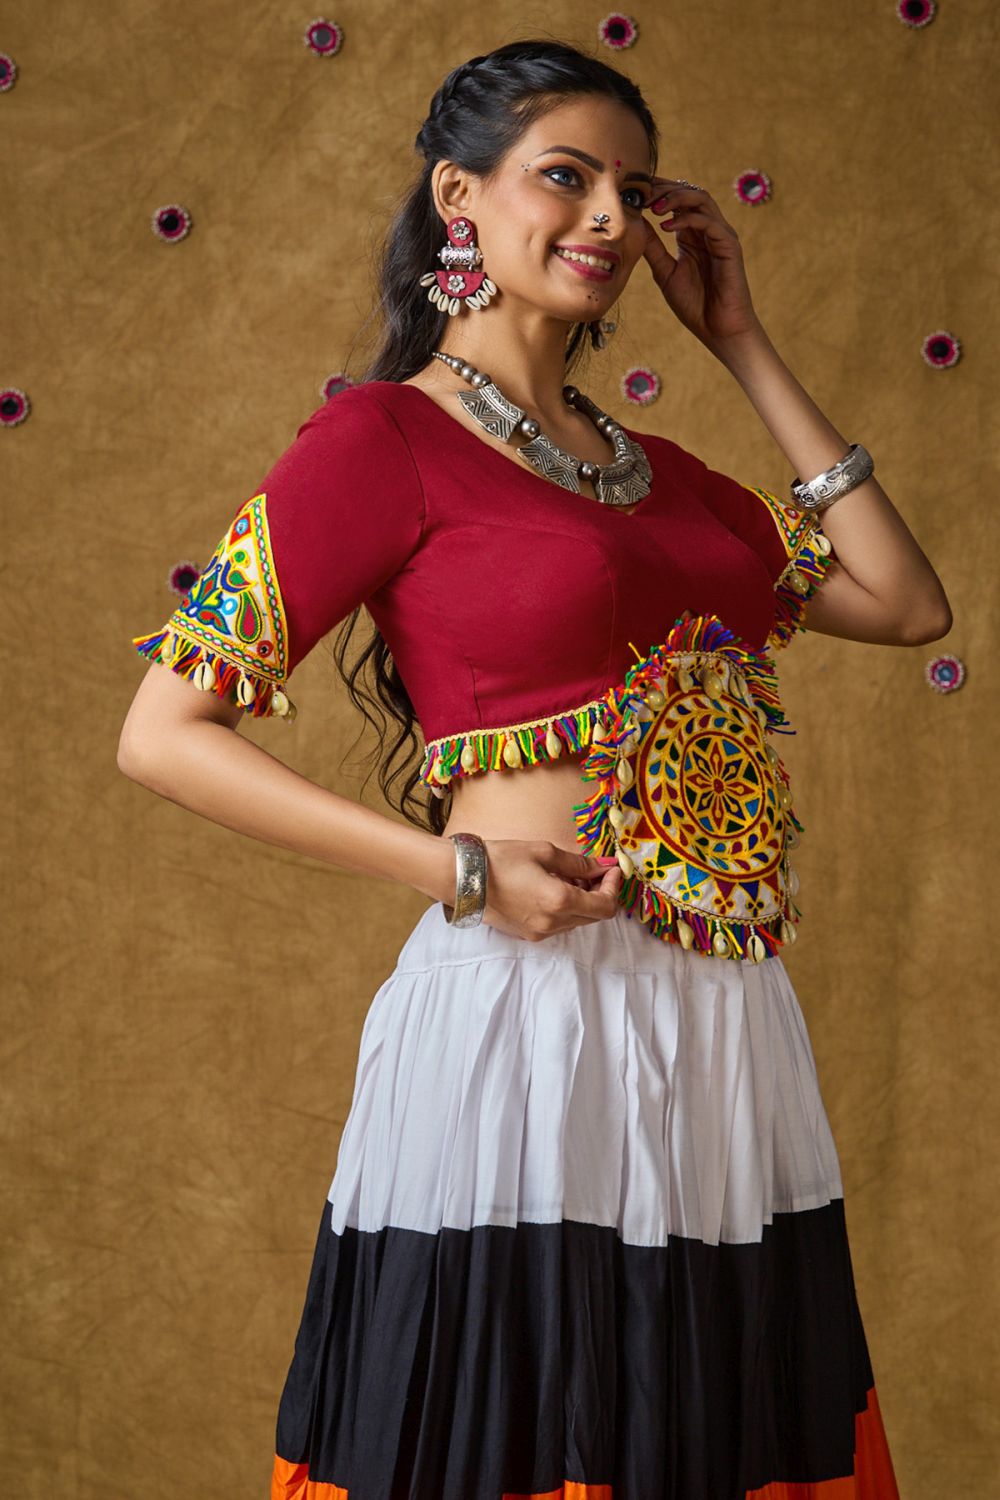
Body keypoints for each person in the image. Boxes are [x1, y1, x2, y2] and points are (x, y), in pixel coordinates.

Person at [117, 37, 950, 1500]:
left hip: (721, 1021)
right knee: (520, 1423)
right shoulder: (381, 439)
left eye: (632, 188)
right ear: (461, 197)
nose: (610, 218)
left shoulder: (666, 477)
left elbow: (904, 602)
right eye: (566, 177)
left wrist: (741, 342)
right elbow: (161, 734)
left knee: (709, 1431)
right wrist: (459, 869)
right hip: (528, 1014)